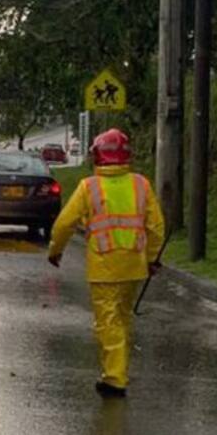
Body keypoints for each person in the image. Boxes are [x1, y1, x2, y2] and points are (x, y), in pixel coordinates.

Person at [47, 129, 165, 397]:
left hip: (104, 267)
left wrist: (56, 251)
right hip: (134, 266)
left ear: (97, 157)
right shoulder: (140, 184)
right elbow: (156, 226)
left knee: (108, 323)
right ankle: (117, 372)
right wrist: (152, 258)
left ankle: (114, 379)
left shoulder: (89, 187)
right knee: (122, 320)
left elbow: (65, 223)